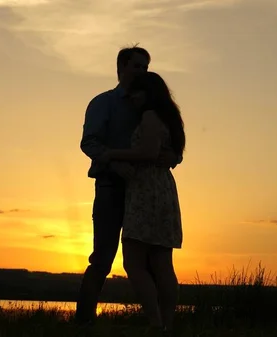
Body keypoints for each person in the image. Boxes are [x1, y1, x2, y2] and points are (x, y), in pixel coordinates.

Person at [76, 45, 182, 325]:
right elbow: (89, 142)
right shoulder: (104, 103)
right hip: (112, 187)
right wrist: (113, 163)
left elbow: (167, 145)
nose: (141, 72)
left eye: (146, 67)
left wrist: (173, 156)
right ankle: (84, 322)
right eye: (137, 66)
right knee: (102, 258)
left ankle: (159, 322)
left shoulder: (150, 105)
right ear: (121, 68)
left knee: (151, 261)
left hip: (145, 192)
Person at [98, 71, 185, 335]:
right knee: (162, 263)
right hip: (163, 190)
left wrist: (112, 154)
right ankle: (166, 323)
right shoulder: (169, 119)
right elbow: (165, 153)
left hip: (146, 190)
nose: (132, 97)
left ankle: (156, 323)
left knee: (134, 264)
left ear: (149, 94)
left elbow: (147, 152)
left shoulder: (149, 116)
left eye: (137, 92)